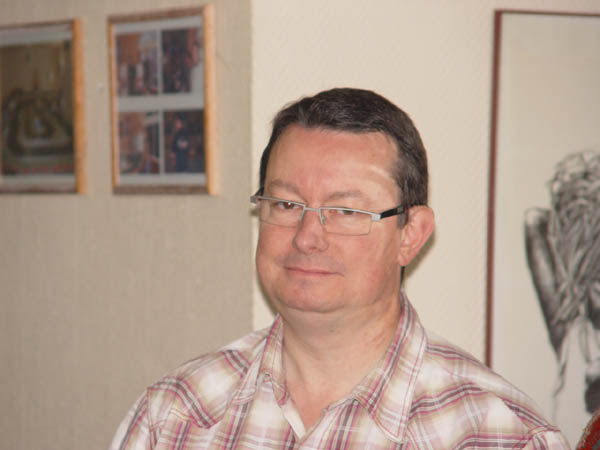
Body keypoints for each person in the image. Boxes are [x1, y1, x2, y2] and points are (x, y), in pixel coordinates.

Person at [110, 88, 570, 449]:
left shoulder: (498, 436)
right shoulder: (176, 415)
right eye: (286, 204)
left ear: (410, 235)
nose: (307, 236)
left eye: (347, 211)